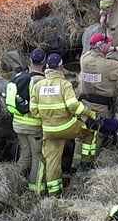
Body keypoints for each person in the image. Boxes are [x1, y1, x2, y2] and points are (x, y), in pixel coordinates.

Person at [29, 53, 98, 196]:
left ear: (47, 67)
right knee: (90, 132)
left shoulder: (38, 85)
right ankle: (85, 164)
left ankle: (54, 194)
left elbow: (33, 110)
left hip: (48, 130)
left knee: (52, 162)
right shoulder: (64, 84)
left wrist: (48, 118)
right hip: (67, 127)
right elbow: (73, 106)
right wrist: (89, 114)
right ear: (61, 67)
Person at [72, 32, 118, 171]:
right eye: (108, 43)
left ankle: (74, 167)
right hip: (101, 107)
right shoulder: (107, 65)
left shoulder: (84, 59)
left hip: (85, 106)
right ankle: (88, 166)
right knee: (97, 136)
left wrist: (114, 49)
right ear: (101, 46)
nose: (111, 44)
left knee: (82, 136)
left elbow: (97, 50)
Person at [11, 48, 46, 194]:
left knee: (25, 155)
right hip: (34, 127)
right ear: (44, 63)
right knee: (38, 158)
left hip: (18, 124)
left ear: (30, 60)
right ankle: (35, 191)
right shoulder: (40, 81)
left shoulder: (19, 76)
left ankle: (12, 182)